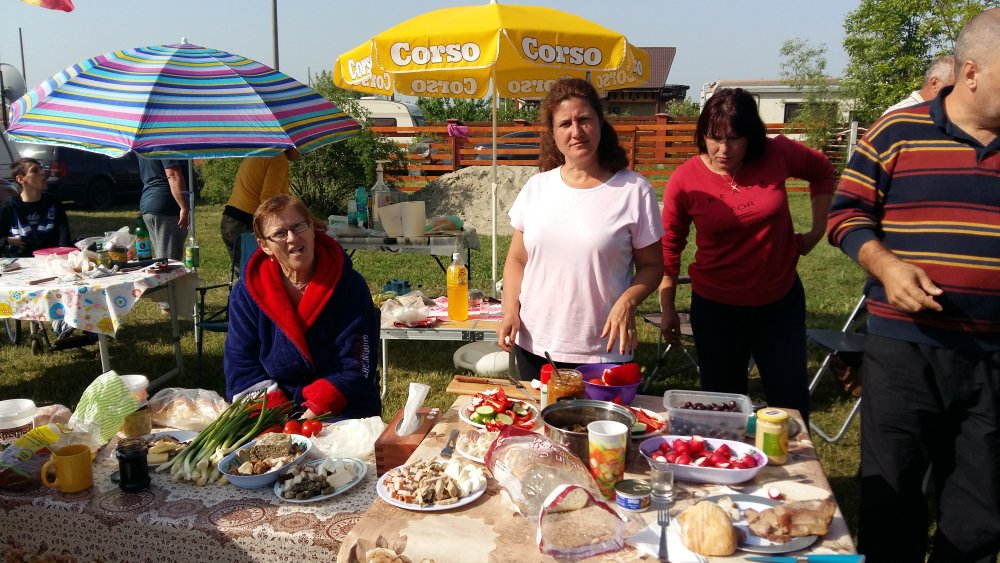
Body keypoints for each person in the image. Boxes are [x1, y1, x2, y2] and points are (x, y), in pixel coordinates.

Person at [828, 8, 1000, 563]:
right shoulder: (897, 131)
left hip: (994, 356)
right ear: (970, 73)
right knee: (892, 500)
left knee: (981, 513)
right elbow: (846, 215)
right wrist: (886, 266)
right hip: (906, 351)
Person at [659, 88, 835, 427]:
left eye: (734, 139)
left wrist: (817, 230)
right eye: (715, 138)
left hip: (779, 304)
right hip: (717, 310)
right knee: (723, 410)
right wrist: (668, 307)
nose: (724, 150)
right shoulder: (685, 180)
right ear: (702, 135)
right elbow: (670, 247)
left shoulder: (776, 153)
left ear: (751, 136)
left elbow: (822, 170)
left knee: (790, 407)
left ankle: (790, 462)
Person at [496, 78, 664, 380]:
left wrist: (627, 302)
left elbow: (652, 266)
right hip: (535, 344)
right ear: (553, 133)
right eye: (565, 124)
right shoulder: (537, 187)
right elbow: (516, 260)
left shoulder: (633, 190)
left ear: (600, 123)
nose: (576, 131)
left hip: (603, 348)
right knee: (535, 414)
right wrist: (510, 311)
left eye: (584, 119)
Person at [224, 194, 380, 421]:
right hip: (271, 409)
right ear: (264, 246)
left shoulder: (348, 284)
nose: (292, 238)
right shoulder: (248, 292)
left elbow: (356, 364)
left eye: (299, 226)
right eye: (280, 233)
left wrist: (307, 419)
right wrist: (278, 417)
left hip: (343, 405)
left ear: (312, 228)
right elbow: (240, 363)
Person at [220, 147, 301, 262]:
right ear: (291, 145)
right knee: (256, 271)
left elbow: (280, 198)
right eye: (299, 147)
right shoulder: (278, 158)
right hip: (245, 226)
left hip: (231, 221)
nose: (301, 152)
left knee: (245, 270)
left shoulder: (260, 152)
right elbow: (268, 199)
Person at [0, 157, 71, 257]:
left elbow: (64, 238)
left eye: (41, 169)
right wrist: (7, 240)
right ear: (20, 179)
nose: (42, 172)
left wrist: (64, 258)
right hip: (19, 263)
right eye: (34, 170)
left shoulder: (53, 202)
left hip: (50, 261)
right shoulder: (8, 206)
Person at [138, 156, 189, 262]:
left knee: (162, 259)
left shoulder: (147, 145)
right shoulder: (167, 147)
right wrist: (184, 206)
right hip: (167, 207)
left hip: (150, 204)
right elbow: (172, 175)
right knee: (168, 263)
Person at [881, 54, 956, 116]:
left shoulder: (946, 115)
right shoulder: (898, 115)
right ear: (935, 83)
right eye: (955, 87)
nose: (959, 93)